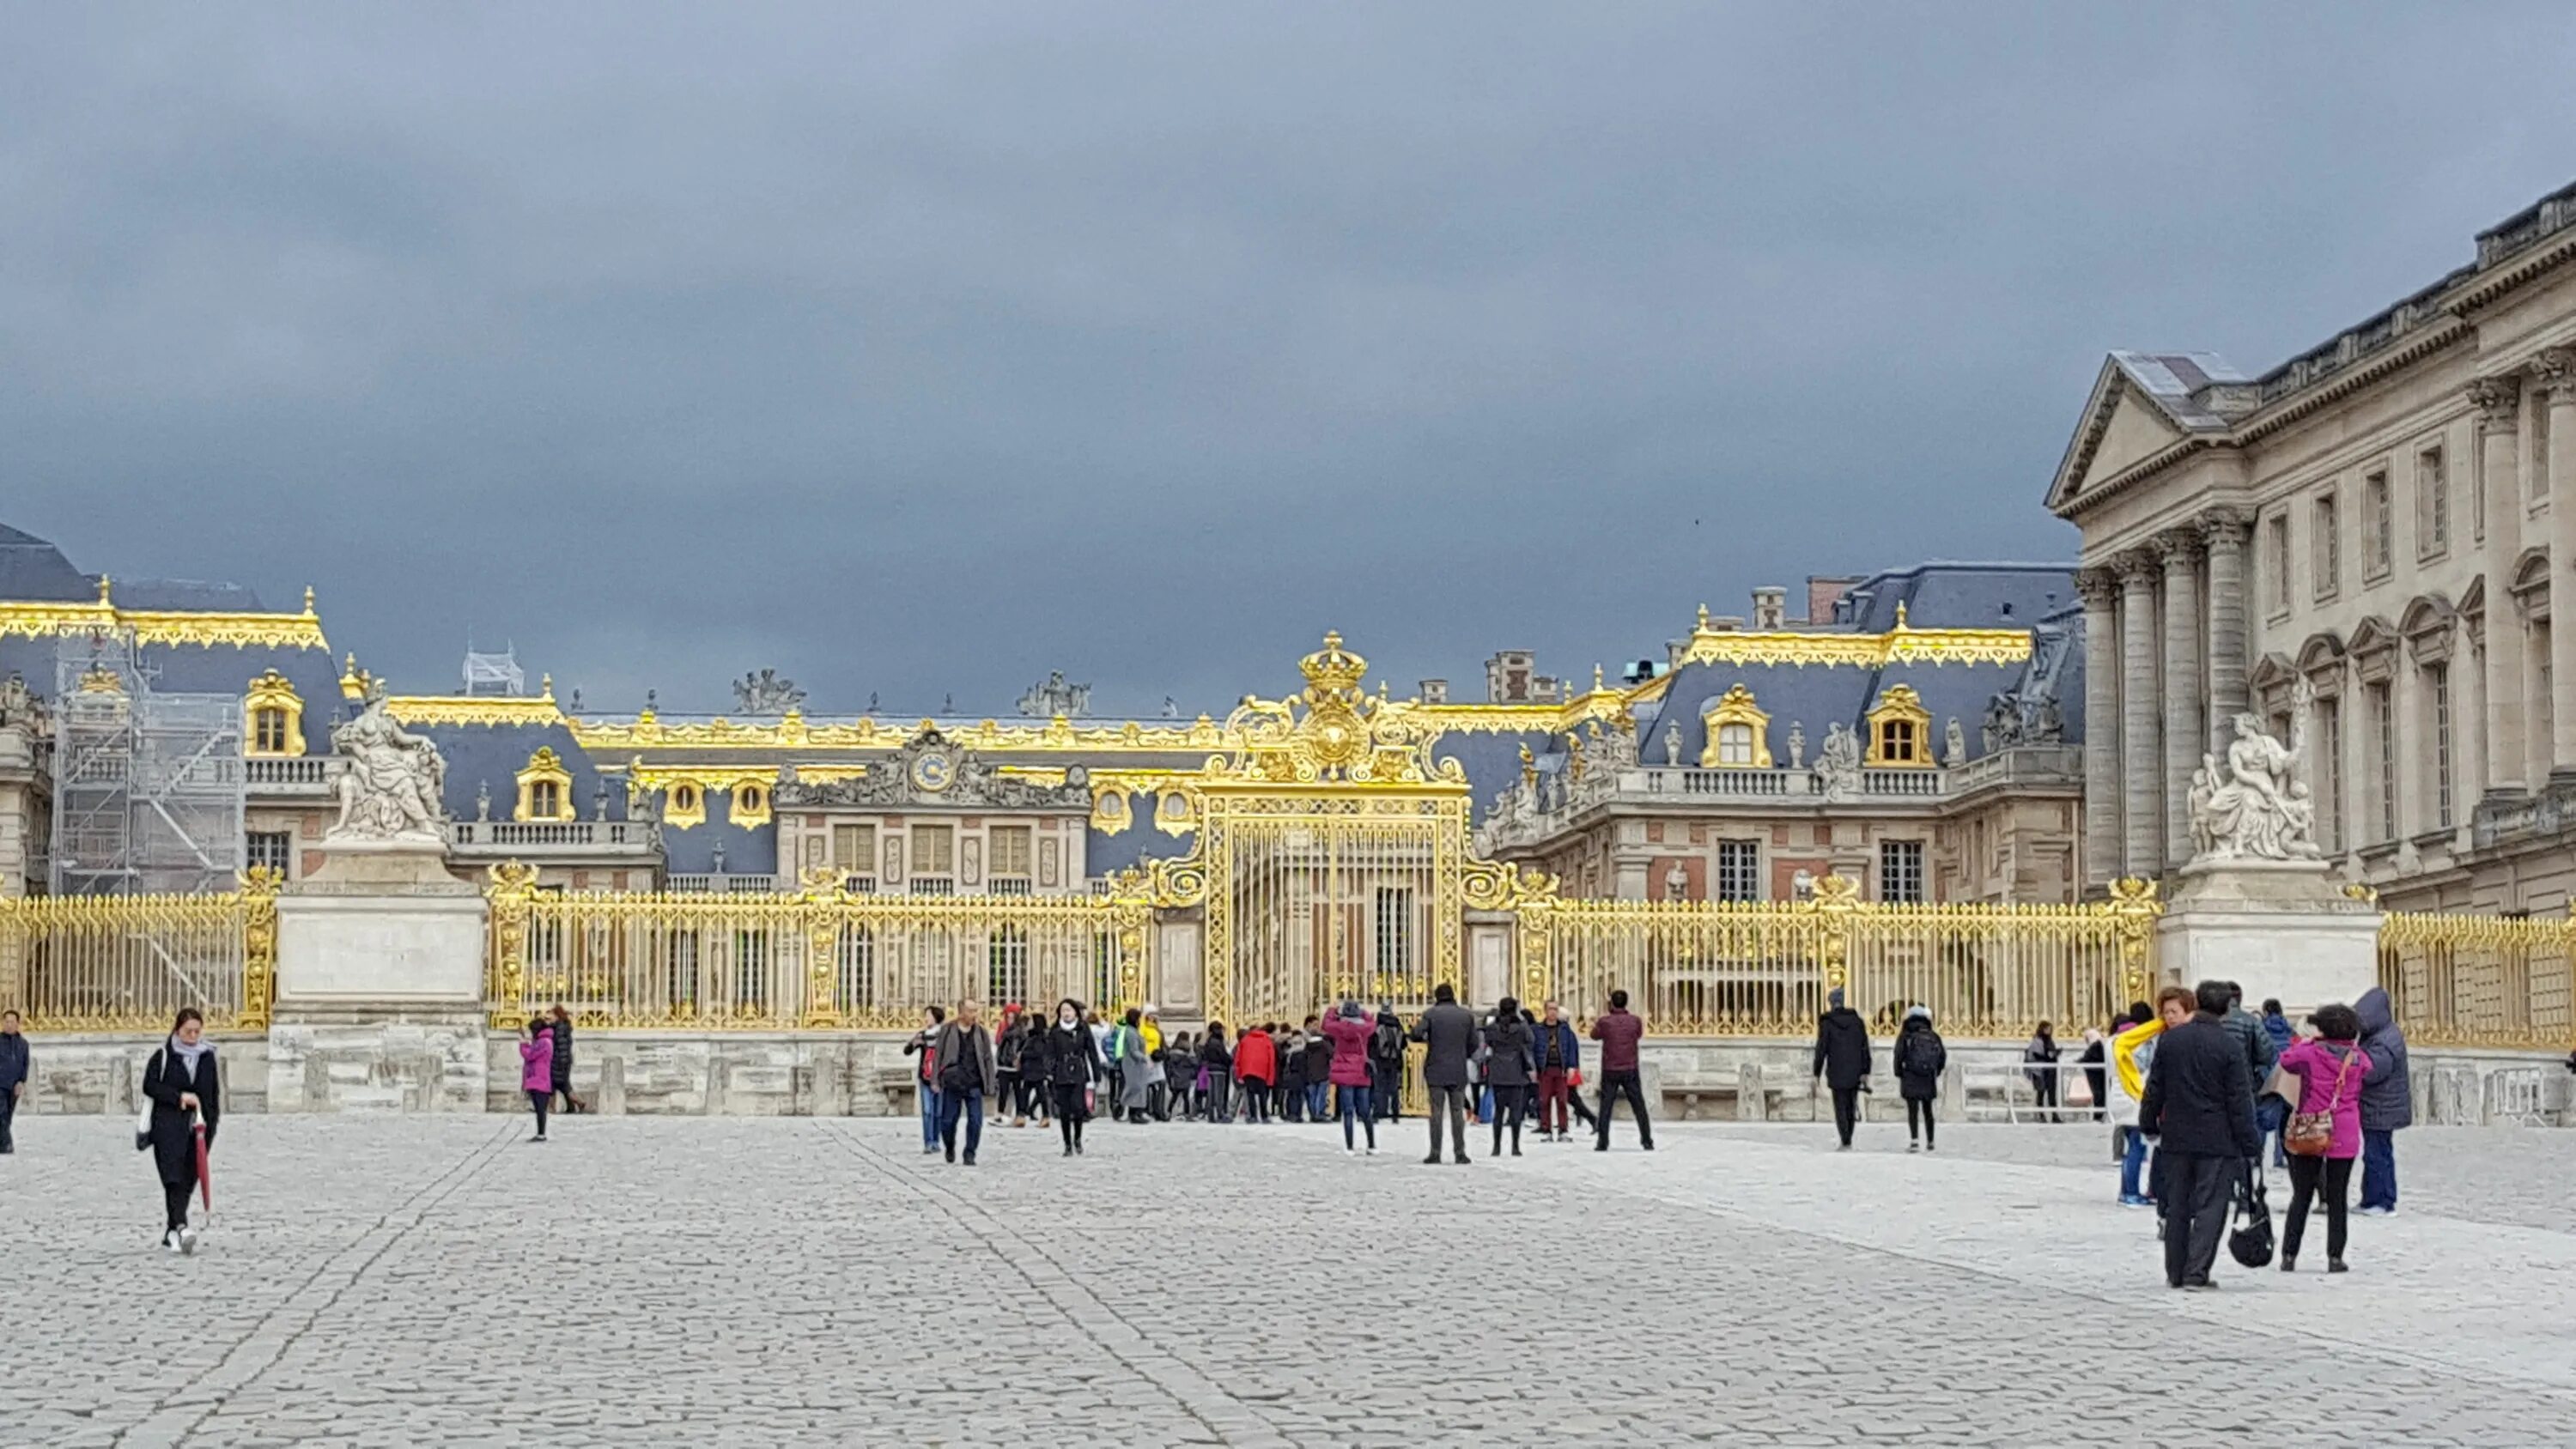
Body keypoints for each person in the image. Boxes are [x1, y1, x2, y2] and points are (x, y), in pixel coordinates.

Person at [2138, 980, 2262, 1290]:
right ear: (2226, 1009)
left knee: (2178, 1204)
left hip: (2177, 1135)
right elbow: (2239, 1099)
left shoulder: (2171, 1041)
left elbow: (2155, 1088)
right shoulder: (2229, 1045)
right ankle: (2197, 1271)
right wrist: (2250, 1142)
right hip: (2218, 1139)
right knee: (2211, 1206)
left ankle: (2175, 1271)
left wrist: (2149, 1122)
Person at [2275, 1003, 2370, 1274]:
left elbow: (2286, 1060)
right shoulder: (2358, 1058)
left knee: (2302, 1194)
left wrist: (2311, 1041)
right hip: (2345, 1129)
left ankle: (2289, 1254)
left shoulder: (2310, 1053)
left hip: (2310, 1125)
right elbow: (2369, 1068)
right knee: (2338, 1196)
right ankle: (2335, 1256)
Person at [143, 1007, 221, 1253]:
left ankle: (171, 1232)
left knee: (188, 1179)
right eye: (189, 1031)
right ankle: (182, 1225)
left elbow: (213, 1096)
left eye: (197, 1031)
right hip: (168, 1126)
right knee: (173, 1178)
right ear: (178, 1030)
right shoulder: (164, 1055)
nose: (193, 1035)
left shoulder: (207, 1057)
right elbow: (150, 1086)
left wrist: (211, 1127)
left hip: (197, 1129)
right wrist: (179, 1097)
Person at [2354, 985, 2410, 1216]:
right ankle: (2371, 1198)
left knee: (2377, 1155)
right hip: (2378, 1105)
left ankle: (2382, 1201)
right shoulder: (2381, 1035)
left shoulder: (2384, 1041)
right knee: (2376, 1153)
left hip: (2381, 1107)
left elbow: (2372, 1072)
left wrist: (2354, 1063)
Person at [1411, 982, 1478, 1165]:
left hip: (1436, 1067)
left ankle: (1435, 1152)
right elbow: (1474, 1043)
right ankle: (1460, 1152)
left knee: (1436, 1111)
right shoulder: (1466, 1015)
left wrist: (1426, 1038)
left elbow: (1416, 1034)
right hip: (1457, 1068)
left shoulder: (1431, 1014)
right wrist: (1463, 1053)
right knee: (1457, 1111)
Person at [2220, 982, 2280, 1168]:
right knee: (2246, 1124)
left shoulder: (2210, 1022)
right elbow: (2266, 1054)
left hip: (2213, 1085)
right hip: (2245, 1083)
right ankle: (2249, 1162)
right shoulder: (2251, 1021)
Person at [933, 1000, 999, 1166]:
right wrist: (935, 1079)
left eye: (976, 1011)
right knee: (948, 1121)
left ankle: (970, 1153)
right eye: (971, 1011)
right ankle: (949, 1145)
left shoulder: (981, 1033)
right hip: (953, 1081)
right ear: (961, 1012)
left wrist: (990, 1083)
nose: (975, 1014)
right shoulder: (948, 1030)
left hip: (974, 1081)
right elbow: (938, 1056)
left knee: (976, 1120)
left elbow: (988, 1058)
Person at [1590, 989, 1652, 1152]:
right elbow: (1638, 1035)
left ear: (1612, 1002)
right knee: (1639, 1106)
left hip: (1610, 1068)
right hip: (1630, 1067)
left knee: (1606, 1107)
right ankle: (1647, 1140)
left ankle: (1602, 1142)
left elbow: (1594, 1035)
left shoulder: (1605, 1022)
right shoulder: (1635, 1021)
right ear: (1626, 1002)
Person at [1811, 987, 1871, 1149]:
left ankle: (1845, 1139)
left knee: (1840, 1105)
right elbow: (1864, 1046)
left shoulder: (1827, 1023)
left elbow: (1821, 1049)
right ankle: (1849, 1136)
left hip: (1836, 1069)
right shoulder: (1857, 1022)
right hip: (1854, 1069)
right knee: (1851, 1104)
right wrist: (1866, 1069)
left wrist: (1816, 1071)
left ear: (1831, 1003)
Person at [1042, 998, 1103, 1155]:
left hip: (1078, 1071)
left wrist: (1096, 1074)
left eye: (1069, 1010)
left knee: (1078, 1108)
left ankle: (1077, 1138)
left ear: (1075, 1012)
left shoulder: (1083, 1029)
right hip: (1061, 1072)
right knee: (1064, 1110)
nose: (1066, 1013)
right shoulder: (1055, 1031)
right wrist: (1049, 1070)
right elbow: (1049, 1053)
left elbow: (1092, 1052)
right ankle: (1067, 1144)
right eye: (1063, 1010)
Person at [1320, 999, 1378, 1155]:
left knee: (1347, 1111)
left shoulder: (1339, 1028)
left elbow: (1325, 1024)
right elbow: (1372, 1021)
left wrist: (1333, 1010)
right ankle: (1372, 1145)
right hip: (1360, 1071)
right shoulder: (1365, 1028)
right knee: (1365, 1111)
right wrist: (1363, 1011)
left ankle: (1350, 1146)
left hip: (1344, 1071)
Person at [1482, 997, 1534, 1156]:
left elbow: (1488, 1041)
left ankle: (1496, 1146)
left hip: (1498, 1069)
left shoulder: (1493, 1027)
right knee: (1515, 1111)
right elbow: (1531, 1040)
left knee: (1498, 1111)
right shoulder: (1521, 1027)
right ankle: (1515, 1146)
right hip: (1516, 1069)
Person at [1893, 1005, 1947, 1152]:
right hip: (1928, 1075)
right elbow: (1942, 1056)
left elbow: (1898, 1055)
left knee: (1913, 1110)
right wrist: (1936, 1071)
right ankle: (1931, 1141)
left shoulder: (1905, 1035)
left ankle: (1915, 1140)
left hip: (1910, 1074)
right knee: (1928, 1110)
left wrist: (1898, 1072)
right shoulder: (1932, 1035)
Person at [1533, 1001, 1581, 1143]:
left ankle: (1563, 1130)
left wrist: (1572, 1066)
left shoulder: (1565, 1030)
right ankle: (1546, 1129)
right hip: (1545, 1069)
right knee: (1544, 1101)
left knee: (1562, 1101)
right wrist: (1533, 1068)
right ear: (1545, 1011)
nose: (1553, 1012)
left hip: (1561, 1069)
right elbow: (1533, 1049)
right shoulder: (1538, 1030)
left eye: (1555, 1009)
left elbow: (1573, 1049)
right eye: (1550, 1009)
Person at [903, 1004, 946, 1155]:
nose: (926, 1018)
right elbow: (907, 1051)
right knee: (928, 1110)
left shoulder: (944, 1035)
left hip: (940, 1078)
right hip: (925, 1077)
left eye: (928, 1015)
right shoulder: (922, 1035)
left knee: (939, 1112)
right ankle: (928, 1142)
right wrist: (913, 1043)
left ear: (936, 1017)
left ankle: (936, 1141)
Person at [1114, 1007, 1155, 1125]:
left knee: (1139, 1087)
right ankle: (1125, 1108)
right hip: (1132, 1063)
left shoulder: (1134, 1030)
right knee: (1134, 1086)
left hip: (1137, 1064)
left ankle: (1136, 1112)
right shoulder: (1131, 1032)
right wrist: (1145, 1058)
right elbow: (1134, 1050)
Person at [519, 1015, 555, 1143]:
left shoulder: (543, 1042)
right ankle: (540, 1133)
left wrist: (523, 1043)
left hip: (539, 1078)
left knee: (540, 1109)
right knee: (539, 1109)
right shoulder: (543, 1041)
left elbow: (529, 1055)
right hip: (538, 1078)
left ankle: (541, 1134)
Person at [1234, 1020, 1277, 1125]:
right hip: (1262, 1070)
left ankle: (1253, 1116)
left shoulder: (1245, 1040)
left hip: (1247, 1070)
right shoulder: (1266, 1040)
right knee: (1263, 1094)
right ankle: (1264, 1116)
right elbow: (1271, 1059)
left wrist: (1239, 1073)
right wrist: (1270, 1076)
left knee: (1250, 1094)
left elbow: (1238, 1058)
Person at [1370, 1003, 1406, 1122]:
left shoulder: (1377, 1025)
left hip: (1379, 1061)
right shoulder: (1397, 1025)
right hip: (1394, 1061)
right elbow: (1403, 1044)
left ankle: (1379, 1113)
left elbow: (1371, 1044)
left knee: (1379, 1088)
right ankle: (1395, 1114)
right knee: (1394, 1088)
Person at [548, 1004, 585, 1115]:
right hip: (561, 1060)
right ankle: (569, 1106)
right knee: (559, 1085)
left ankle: (579, 1102)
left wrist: (561, 1061)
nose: (551, 1017)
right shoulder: (561, 1027)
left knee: (561, 1086)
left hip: (559, 1061)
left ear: (557, 1016)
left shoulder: (559, 1028)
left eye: (552, 1015)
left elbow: (562, 1046)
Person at [0, 1009, 27, 1154]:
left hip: (14, 1085)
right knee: (1, 1113)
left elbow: (25, 1064)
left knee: (8, 1115)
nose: (9, 1025)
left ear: (17, 1024)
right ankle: (6, 1145)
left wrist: (21, 1081)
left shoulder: (23, 1044)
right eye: (6, 1022)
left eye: (12, 1022)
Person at [2024, 1021, 2062, 1118]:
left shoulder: (2049, 1040)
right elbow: (2035, 1055)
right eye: (2047, 1029)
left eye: (2050, 1029)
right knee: (2041, 1093)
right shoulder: (2037, 1041)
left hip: (2051, 1071)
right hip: (2041, 1071)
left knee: (2052, 1094)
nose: (2049, 1031)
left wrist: (2055, 1054)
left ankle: (2054, 1115)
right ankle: (2041, 1115)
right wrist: (2048, 1056)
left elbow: (2050, 1053)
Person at [1199, 1023, 1234, 1123]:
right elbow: (1222, 1055)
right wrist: (1230, 1060)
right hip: (1219, 1069)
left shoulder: (1208, 1041)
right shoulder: (1218, 1041)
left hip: (1210, 1068)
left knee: (1211, 1093)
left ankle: (1210, 1115)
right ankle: (1220, 1114)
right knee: (1219, 1093)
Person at [1299, 1021, 1332, 1123]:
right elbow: (1332, 1054)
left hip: (1310, 1074)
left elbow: (1303, 1059)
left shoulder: (1307, 1046)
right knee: (1321, 1095)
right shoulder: (1325, 1045)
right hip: (1323, 1072)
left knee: (1312, 1095)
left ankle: (1313, 1114)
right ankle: (1319, 1114)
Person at [2076, 1025, 2108, 1124]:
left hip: (2096, 1075)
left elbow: (2089, 1058)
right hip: (2097, 1074)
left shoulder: (2096, 1046)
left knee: (2099, 1094)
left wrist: (2079, 1061)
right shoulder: (2099, 1045)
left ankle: (2098, 1116)